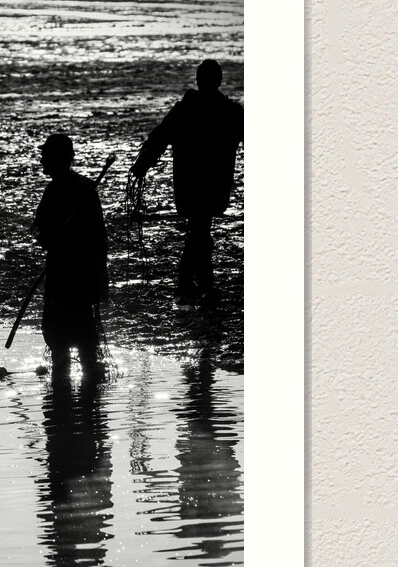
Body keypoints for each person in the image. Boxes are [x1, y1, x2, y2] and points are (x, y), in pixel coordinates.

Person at [131, 59, 243, 301]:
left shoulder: (186, 110)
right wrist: (142, 164)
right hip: (212, 185)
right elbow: (160, 137)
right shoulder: (231, 112)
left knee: (199, 229)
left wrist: (142, 164)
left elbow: (159, 137)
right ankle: (195, 283)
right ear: (218, 81)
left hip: (191, 185)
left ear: (198, 80)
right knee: (201, 230)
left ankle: (195, 282)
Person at [32, 134, 108, 381]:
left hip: (72, 270)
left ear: (59, 159)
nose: (42, 160)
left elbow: (96, 235)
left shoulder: (71, 189)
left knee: (67, 330)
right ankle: (82, 385)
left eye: (46, 156)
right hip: (75, 270)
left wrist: (55, 240)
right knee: (77, 329)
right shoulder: (71, 188)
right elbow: (41, 229)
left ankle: (66, 386)